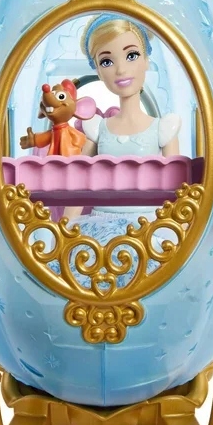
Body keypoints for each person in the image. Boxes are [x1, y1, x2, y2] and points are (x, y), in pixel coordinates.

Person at [53, 15, 181, 288]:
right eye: (107, 61)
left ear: (146, 60)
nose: (121, 69)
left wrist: (177, 233)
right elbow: (79, 185)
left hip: (147, 228)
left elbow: (177, 195)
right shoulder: (98, 129)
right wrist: (63, 232)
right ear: (98, 72)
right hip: (99, 228)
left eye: (132, 55)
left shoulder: (163, 129)